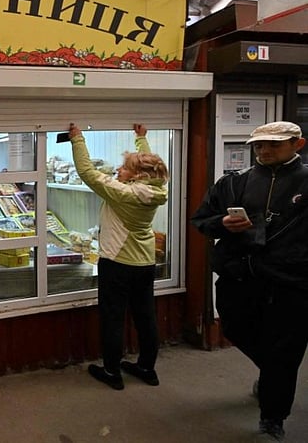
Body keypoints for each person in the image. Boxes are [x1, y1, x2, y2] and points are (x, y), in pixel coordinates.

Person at [191, 121, 308, 441]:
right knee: (235, 328)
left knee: (286, 349)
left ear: (298, 144)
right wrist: (222, 223)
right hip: (239, 277)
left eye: (274, 144)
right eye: (259, 145)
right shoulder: (232, 184)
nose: (264, 151)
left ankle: (273, 416)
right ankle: (273, 373)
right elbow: (201, 221)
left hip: (293, 283)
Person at [68, 122, 168, 391]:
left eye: (123, 169)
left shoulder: (123, 193)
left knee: (113, 317)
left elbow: (87, 173)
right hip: (145, 263)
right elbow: (152, 165)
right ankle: (147, 368)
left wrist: (77, 139)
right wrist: (141, 139)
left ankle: (112, 371)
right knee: (145, 317)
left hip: (117, 263)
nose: (117, 171)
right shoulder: (158, 189)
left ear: (136, 176)